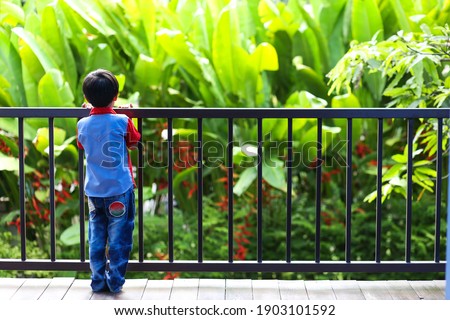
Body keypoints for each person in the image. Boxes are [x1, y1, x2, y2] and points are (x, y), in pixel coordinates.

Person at [77, 69, 141, 293]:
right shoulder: (122, 121)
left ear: (86, 99)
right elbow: (133, 141)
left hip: (94, 192)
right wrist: (133, 117)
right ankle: (115, 282)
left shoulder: (82, 125)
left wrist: (90, 113)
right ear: (116, 97)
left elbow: (83, 145)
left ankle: (97, 281)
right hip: (119, 191)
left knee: (96, 234)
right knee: (119, 237)